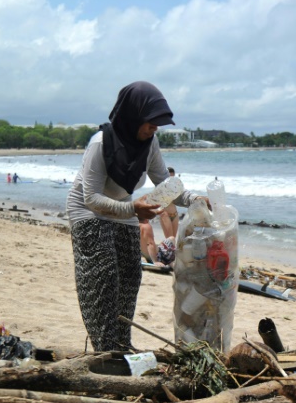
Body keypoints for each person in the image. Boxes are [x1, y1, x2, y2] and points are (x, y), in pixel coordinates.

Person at [66, 81, 203, 352]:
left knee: (130, 276)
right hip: (88, 211)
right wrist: (132, 209)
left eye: (156, 126)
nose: (153, 130)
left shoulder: (149, 144)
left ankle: (121, 344)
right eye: (150, 124)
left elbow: (165, 183)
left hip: (124, 208)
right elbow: (90, 198)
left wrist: (194, 200)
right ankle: (105, 350)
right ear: (132, 117)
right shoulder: (100, 144)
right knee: (103, 279)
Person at [158, 166, 179, 239]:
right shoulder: (161, 186)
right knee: (170, 239)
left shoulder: (176, 187)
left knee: (173, 239)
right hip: (165, 214)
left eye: (172, 177)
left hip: (175, 214)